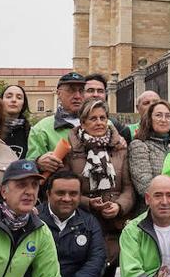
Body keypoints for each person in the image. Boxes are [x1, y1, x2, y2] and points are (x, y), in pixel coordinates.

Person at [56, 99, 135, 266]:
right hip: (82, 224)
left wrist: (119, 206)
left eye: (103, 118)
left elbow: (128, 188)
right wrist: (89, 203)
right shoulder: (70, 149)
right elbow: (63, 190)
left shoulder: (120, 148)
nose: (99, 122)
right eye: (93, 118)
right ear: (83, 123)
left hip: (114, 226)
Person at [28, 72, 87, 171]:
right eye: (71, 90)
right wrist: (38, 163)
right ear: (58, 94)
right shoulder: (41, 129)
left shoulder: (103, 124)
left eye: (81, 91)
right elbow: (29, 166)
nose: (77, 96)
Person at [128, 99, 170, 200]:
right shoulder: (139, 146)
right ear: (149, 119)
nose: (163, 120)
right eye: (158, 115)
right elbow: (144, 185)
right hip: (151, 210)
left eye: (168, 116)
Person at [84, 74, 129, 145]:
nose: (95, 94)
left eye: (100, 91)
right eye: (90, 90)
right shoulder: (72, 126)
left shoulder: (120, 129)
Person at [0, 84, 31, 160]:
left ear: (23, 104)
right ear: (0, 101)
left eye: (19, 97)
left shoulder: (31, 133)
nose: (14, 100)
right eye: (9, 97)